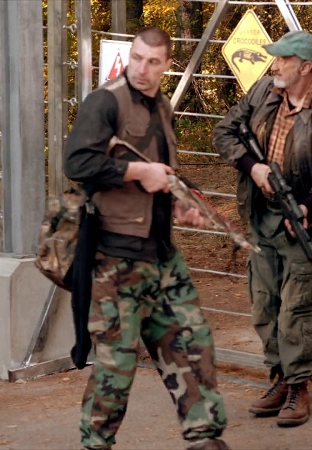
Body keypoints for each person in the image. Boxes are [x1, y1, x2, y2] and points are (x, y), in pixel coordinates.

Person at [63, 27, 229, 450]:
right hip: (115, 258)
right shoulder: (105, 102)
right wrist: (138, 173)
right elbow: (77, 162)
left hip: (162, 255)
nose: (142, 68)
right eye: (136, 57)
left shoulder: (163, 106)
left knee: (192, 344)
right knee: (115, 365)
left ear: (167, 65)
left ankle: (204, 437)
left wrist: (180, 201)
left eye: (153, 61)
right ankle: (96, 444)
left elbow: (162, 173)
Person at [212, 30, 312, 427]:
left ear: (306, 67)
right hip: (261, 216)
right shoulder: (263, 93)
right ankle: (279, 377)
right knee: (265, 304)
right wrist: (253, 167)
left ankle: (298, 386)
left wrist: (308, 206)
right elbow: (224, 132)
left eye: (283, 59)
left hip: (303, 223)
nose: (274, 64)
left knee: (300, 307)